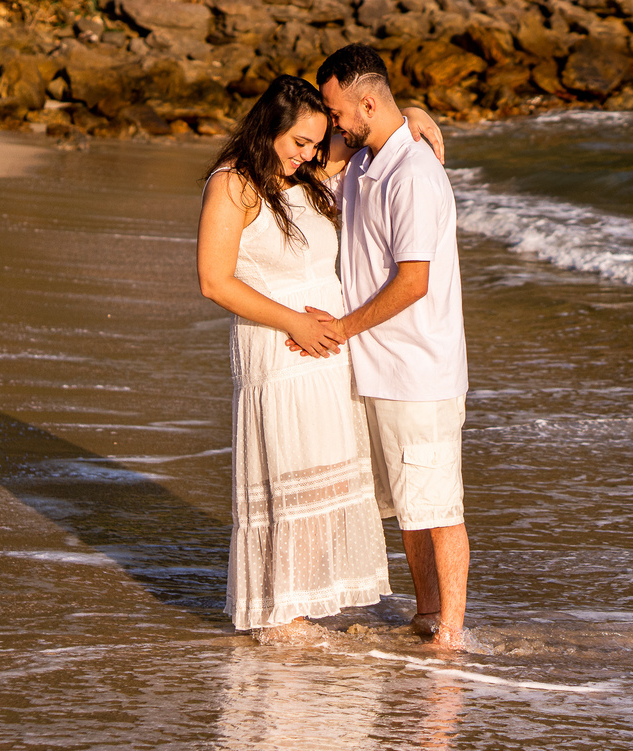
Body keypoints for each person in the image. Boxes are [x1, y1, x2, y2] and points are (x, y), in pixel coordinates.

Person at [196, 74, 442, 641]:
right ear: (269, 129)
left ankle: (301, 604)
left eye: (314, 144)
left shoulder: (302, 175)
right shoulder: (233, 184)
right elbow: (214, 281)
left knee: (320, 475)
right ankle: (281, 614)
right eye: (299, 143)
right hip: (279, 353)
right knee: (288, 476)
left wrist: (417, 112)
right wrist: (296, 324)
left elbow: (368, 125)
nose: (309, 155)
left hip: (324, 355)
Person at [305, 44, 471, 650]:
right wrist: (417, 110)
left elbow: (414, 280)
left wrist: (341, 329)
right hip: (377, 370)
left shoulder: (414, 175)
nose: (331, 123)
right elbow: (320, 160)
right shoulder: (367, 161)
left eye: (336, 110)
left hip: (418, 371)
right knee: (408, 507)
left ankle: (450, 632)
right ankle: (426, 614)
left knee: (438, 505)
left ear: (367, 103)